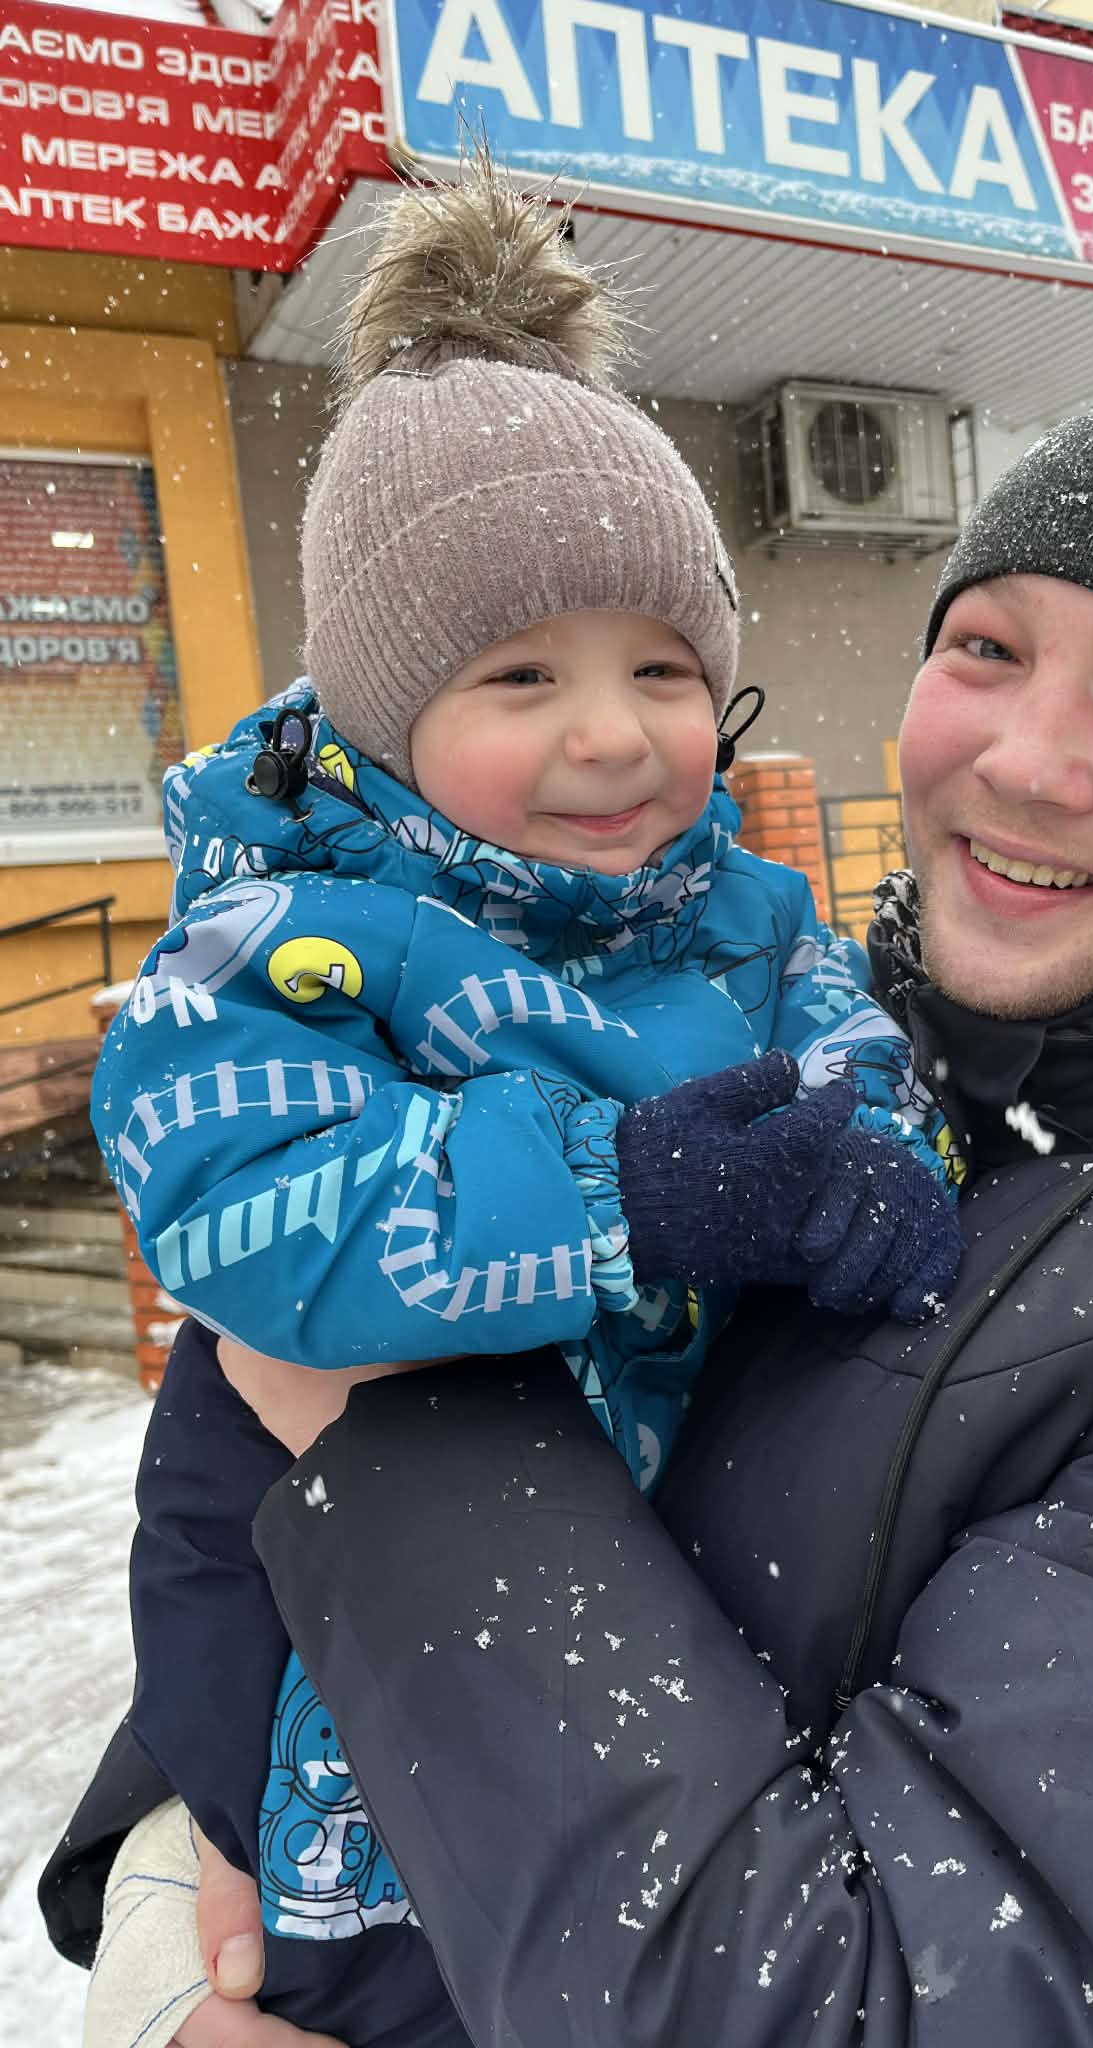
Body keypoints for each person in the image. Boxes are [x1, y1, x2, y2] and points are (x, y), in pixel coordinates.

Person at [47, 363, 1093, 2048]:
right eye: (988, 649)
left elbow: (915, 2012)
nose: (1028, 760)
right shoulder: (876, 1038)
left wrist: (379, 1428)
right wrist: (178, 1877)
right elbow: (270, 1410)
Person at [68, 156, 962, 2048]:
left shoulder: (746, 918)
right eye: (523, 673)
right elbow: (242, 1199)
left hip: (624, 1647)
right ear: (384, 715)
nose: (611, 732)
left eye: (663, 668)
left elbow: (857, 1060)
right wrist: (617, 1191)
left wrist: (879, 1161)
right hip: (326, 1635)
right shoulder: (290, 937)